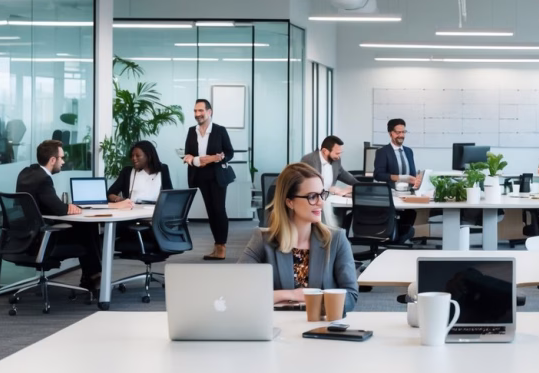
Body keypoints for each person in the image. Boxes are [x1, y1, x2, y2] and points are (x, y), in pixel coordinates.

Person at [239, 162, 359, 312]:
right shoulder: (263, 240)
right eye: (312, 197)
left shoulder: (336, 240)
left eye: (322, 194)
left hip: (321, 322)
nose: (321, 203)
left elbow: (350, 296)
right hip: (279, 324)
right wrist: (292, 294)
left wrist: (312, 300)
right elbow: (239, 291)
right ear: (290, 202)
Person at [15, 140, 131, 293]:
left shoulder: (27, 173)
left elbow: (46, 204)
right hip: (44, 237)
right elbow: (59, 209)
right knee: (88, 228)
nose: (63, 162)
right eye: (61, 158)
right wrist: (68, 206)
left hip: (28, 234)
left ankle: (92, 275)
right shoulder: (44, 179)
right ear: (52, 160)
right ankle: (94, 276)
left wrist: (66, 206)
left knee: (84, 227)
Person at [184, 98, 235, 261]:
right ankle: (217, 246)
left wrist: (218, 158)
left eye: (200, 110)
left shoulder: (219, 130)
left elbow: (229, 152)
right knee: (211, 211)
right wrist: (191, 158)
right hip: (199, 175)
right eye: (195, 111)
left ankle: (221, 247)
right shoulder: (192, 131)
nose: (197, 114)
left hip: (216, 175)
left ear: (209, 112)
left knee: (218, 209)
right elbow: (187, 153)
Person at [372, 118, 420, 242]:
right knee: (403, 217)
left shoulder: (409, 151)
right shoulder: (383, 152)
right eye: (398, 132)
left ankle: (399, 239)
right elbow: (378, 174)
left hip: (408, 194)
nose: (401, 135)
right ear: (391, 133)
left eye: (403, 132)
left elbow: (412, 173)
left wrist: (417, 180)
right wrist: (400, 178)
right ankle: (397, 240)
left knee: (412, 213)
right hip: (392, 194)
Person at [106, 140, 172, 203]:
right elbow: (110, 194)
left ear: (149, 156)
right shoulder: (127, 172)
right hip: (133, 209)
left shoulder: (162, 170)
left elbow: (170, 195)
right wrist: (120, 199)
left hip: (156, 209)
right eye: (132, 156)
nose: (134, 158)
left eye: (138, 156)